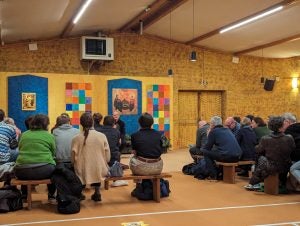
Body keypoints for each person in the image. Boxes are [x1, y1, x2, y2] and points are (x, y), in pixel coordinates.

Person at [244, 116, 295, 191]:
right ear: (281, 126)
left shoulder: (265, 138)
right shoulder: (289, 137)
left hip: (271, 166)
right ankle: (280, 182)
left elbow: (258, 150)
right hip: (286, 165)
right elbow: (292, 148)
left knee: (260, 157)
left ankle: (254, 182)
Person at [14, 114, 56, 202]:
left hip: (22, 172)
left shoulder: (23, 135)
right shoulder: (50, 136)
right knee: (56, 170)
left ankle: (24, 195)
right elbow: (53, 153)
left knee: (25, 164)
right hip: (45, 171)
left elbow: (20, 149)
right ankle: (51, 195)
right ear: (45, 124)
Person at [71, 112, 110, 202]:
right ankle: (97, 192)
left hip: (82, 170)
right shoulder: (102, 136)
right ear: (93, 122)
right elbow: (107, 157)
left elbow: (72, 159)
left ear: (81, 124)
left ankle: (80, 192)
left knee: (78, 167)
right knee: (98, 165)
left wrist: (73, 164)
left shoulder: (76, 138)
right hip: (99, 169)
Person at [98, 115, 128, 187]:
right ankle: (116, 179)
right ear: (113, 124)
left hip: (101, 158)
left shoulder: (98, 131)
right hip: (113, 158)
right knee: (117, 152)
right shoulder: (116, 132)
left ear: (104, 123)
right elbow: (118, 144)